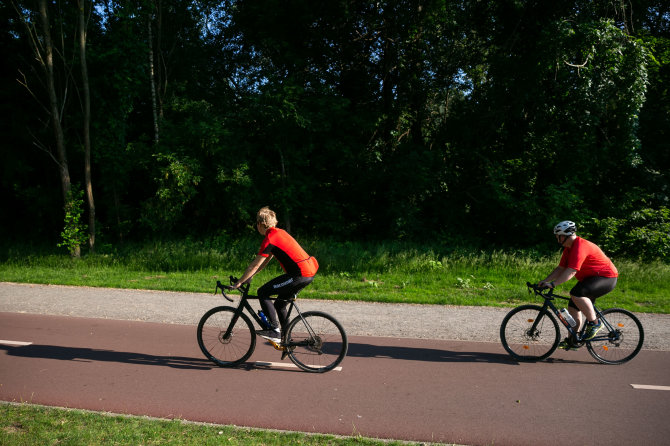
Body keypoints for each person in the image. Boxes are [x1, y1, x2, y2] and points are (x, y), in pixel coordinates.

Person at [231, 207, 319, 343]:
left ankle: (274, 331)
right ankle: (287, 338)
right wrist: (250, 276)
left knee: (263, 292)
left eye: (257, 224)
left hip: (299, 274)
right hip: (308, 273)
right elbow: (265, 261)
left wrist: (240, 282)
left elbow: (254, 265)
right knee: (279, 304)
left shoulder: (270, 239)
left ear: (260, 224)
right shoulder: (279, 233)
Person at [538, 220, 618, 350]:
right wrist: (545, 280)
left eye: (558, 236)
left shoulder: (580, 246)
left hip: (606, 277)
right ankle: (573, 340)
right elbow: (561, 268)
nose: (557, 238)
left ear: (564, 235)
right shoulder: (568, 249)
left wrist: (553, 284)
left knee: (577, 293)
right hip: (591, 278)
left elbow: (572, 271)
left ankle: (595, 323)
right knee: (573, 307)